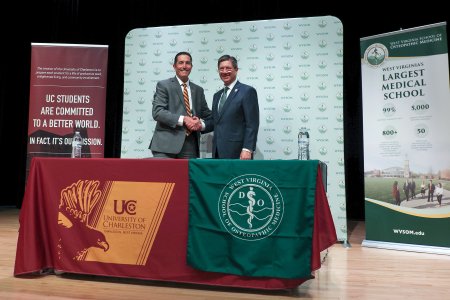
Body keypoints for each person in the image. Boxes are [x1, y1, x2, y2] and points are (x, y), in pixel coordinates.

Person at [149, 52, 211, 158]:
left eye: (188, 63)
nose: (184, 66)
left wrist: (200, 124)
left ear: (191, 66)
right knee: (164, 175)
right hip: (165, 146)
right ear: (174, 66)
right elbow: (158, 112)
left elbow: (207, 115)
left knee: (185, 175)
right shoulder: (163, 85)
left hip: (190, 145)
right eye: (180, 63)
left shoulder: (198, 90)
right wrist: (184, 119)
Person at [204, 55, 259, 159]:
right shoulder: (217, 95)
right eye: (221, 69)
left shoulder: (247, 91)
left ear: (236, 69)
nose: (224, 71)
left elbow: (252, 123)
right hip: (217, 152)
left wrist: (247, 149)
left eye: (228, 68)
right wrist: (200, 125)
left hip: (238, 152)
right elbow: (216, 121)